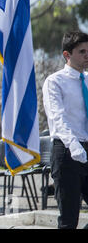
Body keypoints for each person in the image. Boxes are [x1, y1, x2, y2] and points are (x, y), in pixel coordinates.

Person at [42, 30, 88, 229]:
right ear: (67, 55)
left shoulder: (87, 80)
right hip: (67, 152)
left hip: (87, 148)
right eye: (82, 52)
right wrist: (75, 146)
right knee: (69, 218)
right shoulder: (55, 82)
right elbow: (57, 118)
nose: (87, 56)